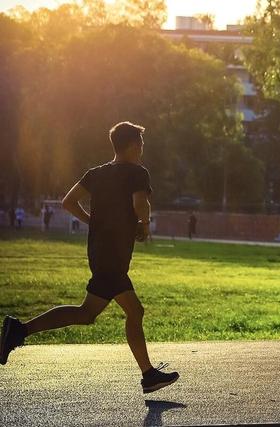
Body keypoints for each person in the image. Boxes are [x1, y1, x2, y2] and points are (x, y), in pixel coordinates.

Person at [0, 121, 179, 393]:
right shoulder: (137, 173)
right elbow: (140, 203)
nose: (142, 148)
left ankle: (18, 330)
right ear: (133, 146)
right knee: (133, 311)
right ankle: (148, 375)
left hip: (99, 252)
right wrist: (143, 224)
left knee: (87, 313)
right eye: (141, 144)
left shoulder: (95, 174)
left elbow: (68, 202)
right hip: (113, 258)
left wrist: (91, 221)